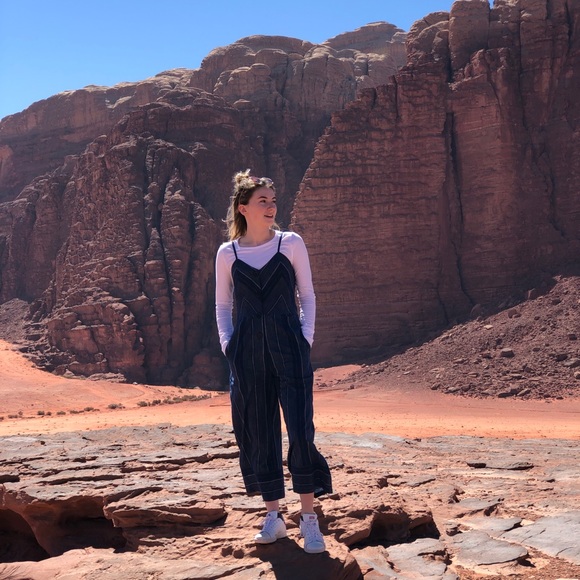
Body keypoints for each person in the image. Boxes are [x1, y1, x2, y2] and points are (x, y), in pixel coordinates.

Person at [215, 169, 332, 554]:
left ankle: (309, 518)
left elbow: (308, 295)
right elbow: (222, 305)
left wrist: (305, 338)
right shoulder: (228, 253)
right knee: (259, 431)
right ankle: (274, 517)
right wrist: (229, 345)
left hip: (290, 348)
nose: (271, 206)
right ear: (243, 208)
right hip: (247, 355)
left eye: (273, 200)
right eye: (262, 201)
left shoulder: (290, 243)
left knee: (300, 429)